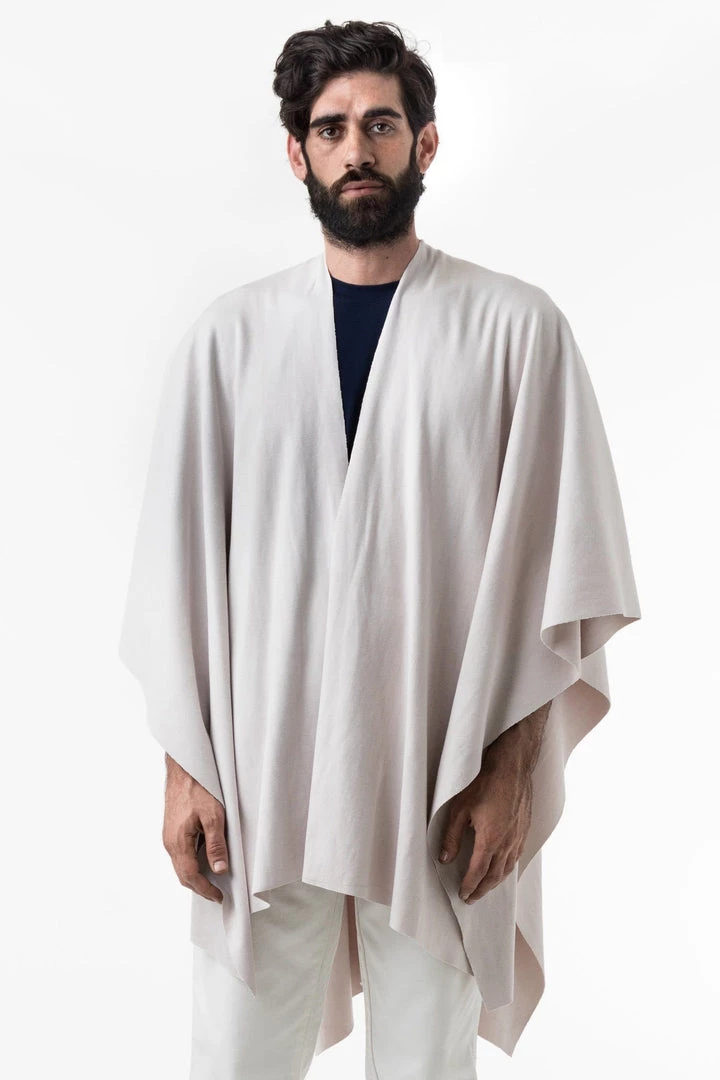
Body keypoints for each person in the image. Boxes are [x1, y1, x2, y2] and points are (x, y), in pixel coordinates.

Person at [118, 18, 641, 1080]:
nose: (356, 149)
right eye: (331, 128)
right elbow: (177, 575)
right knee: (235, 1058)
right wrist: (185, 769)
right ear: (297, 152)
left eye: (381, 124)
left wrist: (512, 769)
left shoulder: (515, 331)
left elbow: (559, 567)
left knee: (426, 1064)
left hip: (443, 773)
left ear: (425, 142)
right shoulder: (229, 341)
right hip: (261, 775)